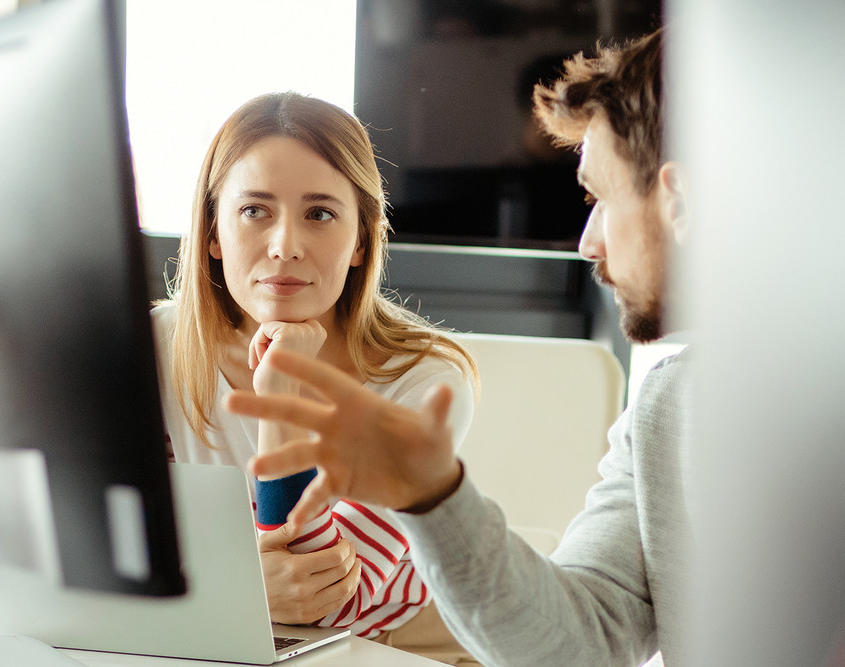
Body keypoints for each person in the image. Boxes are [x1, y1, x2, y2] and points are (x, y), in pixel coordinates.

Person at [226, 30, 694, 667]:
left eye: (600, 197)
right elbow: (580, 646)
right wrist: (434, 497)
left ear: (680, 203)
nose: (587, 242)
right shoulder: (665, 411)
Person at [150, 91, 484, 665]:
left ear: (360, 240)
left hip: (407, 645)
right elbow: (111, 540)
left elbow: (321, 603)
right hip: (228, 637)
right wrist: (237, 585)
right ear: (211, 232)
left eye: (320, 214)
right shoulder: (156, 345)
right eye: (254, 210)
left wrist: (281, 390)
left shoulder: (426, 381)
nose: (285, 247)